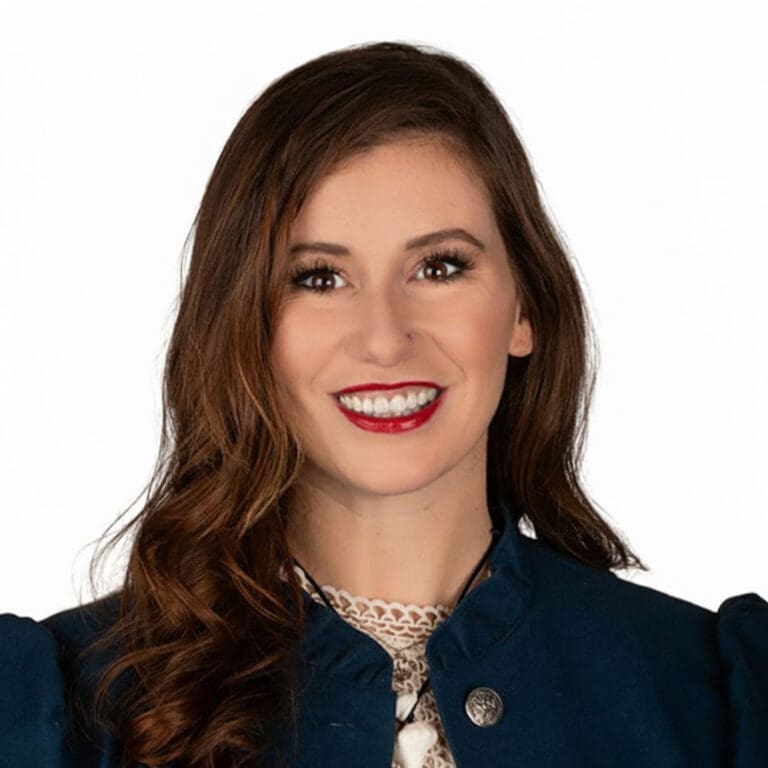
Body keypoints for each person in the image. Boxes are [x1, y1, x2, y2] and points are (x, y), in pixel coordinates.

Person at [1, 40, 766, 768]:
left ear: (524, 309)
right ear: (244, 327)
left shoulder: (716, 701)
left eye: (439, 267)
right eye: (318, 278)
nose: (384, 338)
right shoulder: (63, 709)